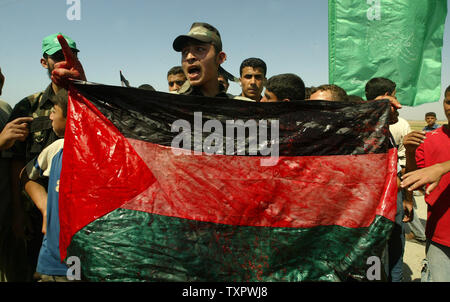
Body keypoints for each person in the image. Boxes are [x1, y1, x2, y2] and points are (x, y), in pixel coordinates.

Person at [6, 32, 78, 281]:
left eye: (70, 56)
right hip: (35, 216)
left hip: (75, 222)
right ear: (44, 62)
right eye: (57, 57)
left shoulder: (86, 101)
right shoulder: (29, 106)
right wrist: (18, 213)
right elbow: (17, 164)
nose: (63, 62)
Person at [21, 89, 69, 282]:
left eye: (54, 111)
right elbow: (26, 176)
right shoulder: (56, 149)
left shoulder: (102, 152)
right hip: (54, 263)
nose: (49, 116)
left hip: (91, 259)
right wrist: (46, 209)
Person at [403, 85, 450, 281]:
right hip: (441, 235)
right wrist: (411, 152)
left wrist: (442, 167)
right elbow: (416, 180)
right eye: (449, 102)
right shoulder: (429, 140)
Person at [365, 77, 409, 282]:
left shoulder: (388, 132)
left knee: (396, 246)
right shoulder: (367, 130)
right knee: (373, 256)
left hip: (394, 201)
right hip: (377, 206)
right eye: (394, 96)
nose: (397, 105)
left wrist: (405, 197)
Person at [390, 116, 426, 244]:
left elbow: (407, 159)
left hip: (400, 174)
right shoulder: (402, 123)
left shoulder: (399, 125)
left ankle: (420, 234)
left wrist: (408, 197)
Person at [172, 22, 229, 98]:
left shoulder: (241, 106)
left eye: (200, 49)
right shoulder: (169, 103)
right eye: (185, 52)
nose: (189, 57)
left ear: (220, 58)